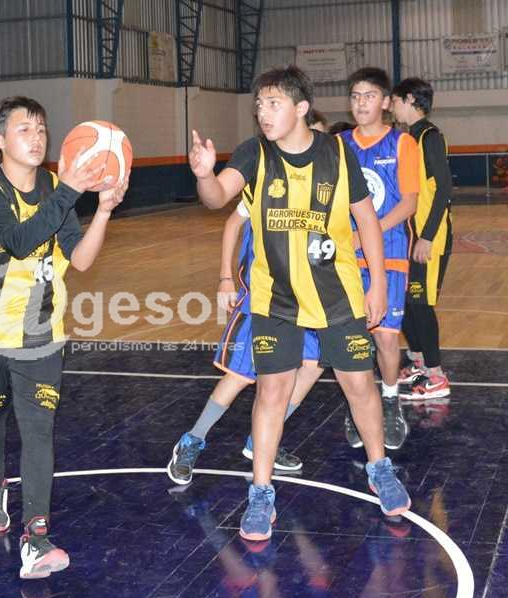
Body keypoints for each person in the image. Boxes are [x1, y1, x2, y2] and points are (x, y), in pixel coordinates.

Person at [189, 65, 410, 541]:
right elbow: (217, 198)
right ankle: (260, 492)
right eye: (259, 105)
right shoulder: (253, 153)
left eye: (273, 104)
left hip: (338, 296)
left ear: (301, 108)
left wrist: (376, 285)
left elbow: (367, 221)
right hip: (276, 300)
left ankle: (380, 469)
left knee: (359, 385)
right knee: (271, 393)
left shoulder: (338, 152)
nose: (263, 113)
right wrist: (205, 175)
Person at [0, 96, 127, 579]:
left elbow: (80, 259)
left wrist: (103, 211)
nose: (37, 137)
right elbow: (22, 242)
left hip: (40, 332)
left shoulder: (53, 186)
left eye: (42, 129)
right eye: (25, 129)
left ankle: (36, 538)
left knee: (39, 431)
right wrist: (70, 192)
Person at [166, 188, 322, 482]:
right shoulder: (266, 183)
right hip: (262, 299)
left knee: (313, 366)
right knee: (239, 376)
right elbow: (232, 224)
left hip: (306, 300)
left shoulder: (321, 183)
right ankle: (192, 439)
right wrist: (226, 278)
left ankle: (261, 439)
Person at [340, 67, 419, 450]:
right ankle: (359, 403)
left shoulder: (403, 144)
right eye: (355, 96)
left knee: (386, 339)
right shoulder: (338, 145)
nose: (361, 103)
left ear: (386, 102)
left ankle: (389, 401)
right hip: (346, 256)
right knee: (353, 339)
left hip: (389, 252)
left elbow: (409, 203)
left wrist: (369, 232)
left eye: (369, 96)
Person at [391, 78, 453, 400]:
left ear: (410, 99)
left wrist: (426, 237)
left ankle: (436, 376)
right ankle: (417, 361)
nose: (391, 107)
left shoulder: (430, 136)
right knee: (405, 303)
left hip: (429, 237)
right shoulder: (407, 138)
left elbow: (443, 190)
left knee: (421, 304)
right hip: (409, 236)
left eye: (395, 101)